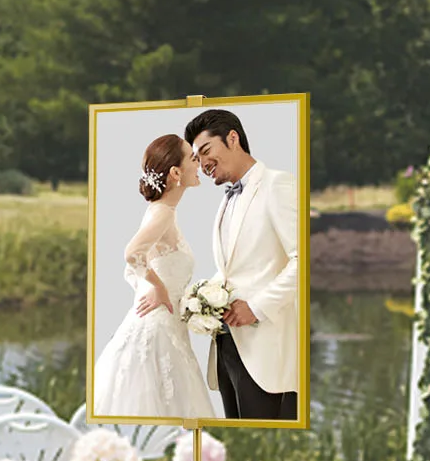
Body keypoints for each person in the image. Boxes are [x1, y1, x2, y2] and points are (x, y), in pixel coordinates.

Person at [184, 106, 300, 421]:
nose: (202, 163)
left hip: (266, 349)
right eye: (196, 157)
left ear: (233, 138)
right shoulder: (227, 198)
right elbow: (233, 268)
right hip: (226, 347)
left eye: (205, 150)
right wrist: (201, 300)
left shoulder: (278, 184)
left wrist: (257, 307)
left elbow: (303, 260)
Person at [92, 134, 215, 420]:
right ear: (175, 173)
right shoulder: (162, 214)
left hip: (169, 325)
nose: (200, 165)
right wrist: (157, 289)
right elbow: (132, 253)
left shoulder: (161, 212)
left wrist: (149, 287)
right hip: (158, 329)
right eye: (193, 159)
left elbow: (136, 265)